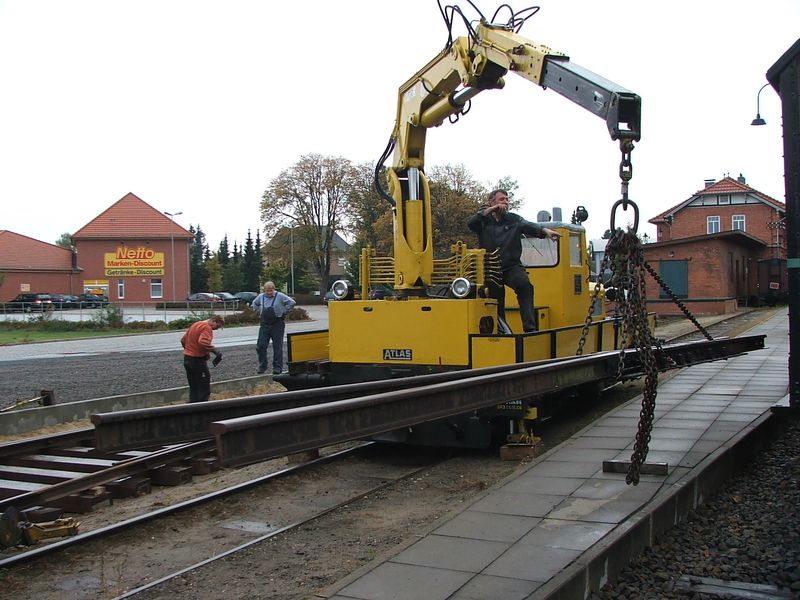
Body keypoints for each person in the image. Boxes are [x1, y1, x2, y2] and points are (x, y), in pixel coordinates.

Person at [467, 189, 560, 333]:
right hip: (492, 268)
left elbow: (529, 225)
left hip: (511, 266)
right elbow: (471, 223)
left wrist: (545, 231)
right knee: (496, 302)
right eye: (502, 199)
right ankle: (502, 333)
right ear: (492, 202)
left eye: (507, 199)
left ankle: (530, 329)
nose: (506, 202)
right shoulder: (483, 221)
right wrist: (492, 210)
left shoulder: (514, 219)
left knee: (525, 286)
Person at [251, 281, 296, 375]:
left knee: (277, 347)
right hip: (265, 324)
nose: (269, 293)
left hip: (277, 324)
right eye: (267, 291)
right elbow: (254, 304)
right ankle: (263, 365)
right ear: (264, 290)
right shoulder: (261, 297)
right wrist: (259, 311)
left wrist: (284, 311)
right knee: (261, 346)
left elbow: (292, 302)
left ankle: (277, 367)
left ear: (274, 289)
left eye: (271, 291)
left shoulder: (280, 296)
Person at [180, 315, 224, 402]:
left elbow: (183, 340)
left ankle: (193, 407)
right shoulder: (206, 327)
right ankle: (202, 408)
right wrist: (216, 351)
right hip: (197, 360)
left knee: (194, 387)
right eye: (217, 326)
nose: (216, 329)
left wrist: (189, 350)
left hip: (187, 359)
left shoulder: (195, 324)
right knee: (203, 386)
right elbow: (202, 341)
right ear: (213, 321)